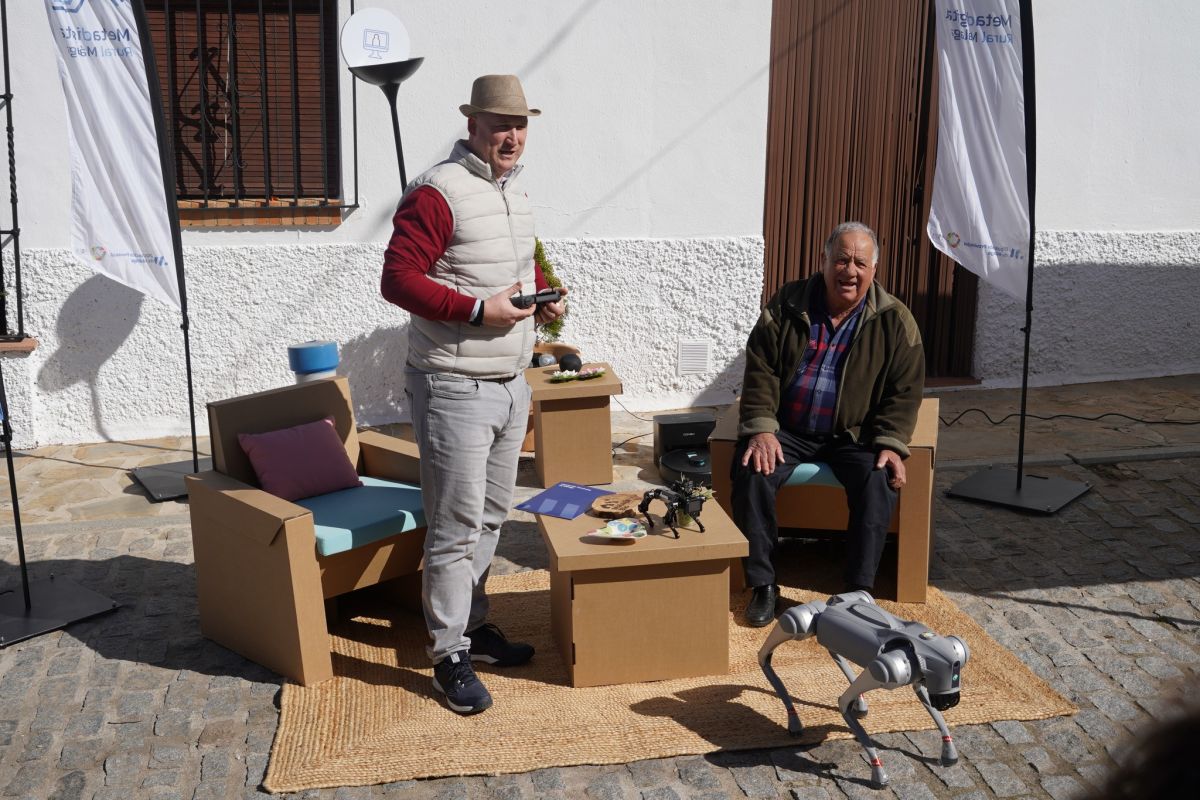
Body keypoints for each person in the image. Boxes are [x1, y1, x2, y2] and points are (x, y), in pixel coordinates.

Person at [381, 74, 567, 714]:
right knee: (456, 525)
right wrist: (474, 312)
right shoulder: (438, 192)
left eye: (518, 125)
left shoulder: (513, 193)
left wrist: (544, 293)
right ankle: (447, 654)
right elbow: (398, 279)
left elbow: (515, 267)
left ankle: (473, 625)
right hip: (454, 384)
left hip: (511, 383)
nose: (511, 135)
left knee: (490, 518)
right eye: (498, 125)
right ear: (473, 126)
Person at [731, 221, 924, 627]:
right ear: (824, 261)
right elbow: (761, 367)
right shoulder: (788, 302)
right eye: (840, 259)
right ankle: (764, 584)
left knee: (878, 480)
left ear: (873, 270)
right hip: (789, 427)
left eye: (859, 262)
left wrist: (890, 441)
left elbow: (904, 390)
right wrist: (763, 427)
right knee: (752, 468)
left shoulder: (894, 320)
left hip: (853, 433)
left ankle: (857, 594)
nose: (848, 270)